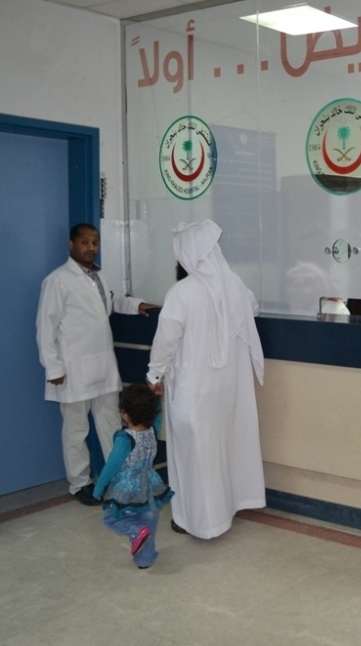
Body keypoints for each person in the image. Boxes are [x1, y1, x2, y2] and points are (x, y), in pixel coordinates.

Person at [146, 220, 267, 540]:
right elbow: (253, 309)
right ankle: (225, 510)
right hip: (227, 388)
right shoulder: (234, 285)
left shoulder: (181, 292)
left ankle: (196, 521)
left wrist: (154, 374)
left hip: (193, 389)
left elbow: (166, 339)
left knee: (194, 456)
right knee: (223, 447)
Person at [36, 223, 158, 506]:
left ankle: (120, 481)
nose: (90, 247)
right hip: (72, 369)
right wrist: (53, 367)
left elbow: (111, 303)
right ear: (71, 244)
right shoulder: (58, 280)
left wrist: (136, 305)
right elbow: (45, 327)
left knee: (112, 426)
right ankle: (80, 484)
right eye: (84, 242)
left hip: (103, 366)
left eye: (95, 242)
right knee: (76, 430)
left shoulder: (99, 276)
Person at [93, 384, 173, 569]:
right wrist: (157, 400)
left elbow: (111, 466)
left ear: (125, 414)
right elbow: (157, 417)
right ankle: (145, 558)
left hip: (128, 488)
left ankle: (135, 531)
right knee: (149, 519)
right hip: (150, 485)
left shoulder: (124, 439)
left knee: (111, 518)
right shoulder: (152, 430)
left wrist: (99, 487)